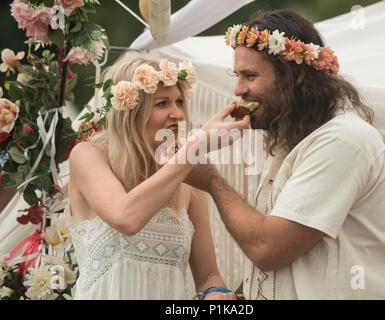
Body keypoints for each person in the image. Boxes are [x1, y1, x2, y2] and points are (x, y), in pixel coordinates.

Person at [184, 10, 385, 299]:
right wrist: (239, 297)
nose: (238, 90)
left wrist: (212, 180)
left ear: (297, 75)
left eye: (250, 76)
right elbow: (290, 264)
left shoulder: (343, 140)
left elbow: (268, 248)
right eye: (237, 76)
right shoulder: (292, 141)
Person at [67, 51, 249, 299]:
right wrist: (194, 146)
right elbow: (125, 217)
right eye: (162, 103)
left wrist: (215, 293)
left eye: (179, 102)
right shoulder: (87, 156)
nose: (177, 114)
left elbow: (208, 276)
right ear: (131, 110)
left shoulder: (187, 176)